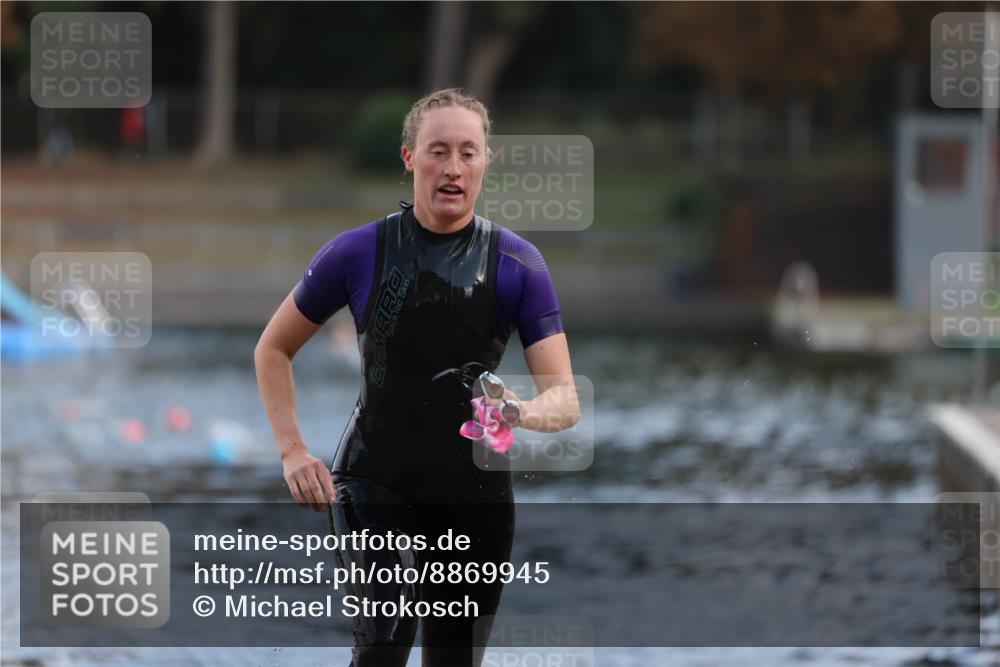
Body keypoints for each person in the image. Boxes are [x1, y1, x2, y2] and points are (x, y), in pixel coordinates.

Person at [254, 88, 579, 667]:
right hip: (375, 479)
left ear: (486, 161)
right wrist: (292, 451)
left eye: (468, 152)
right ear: (409, 158)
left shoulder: (518, 265)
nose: (453, 168)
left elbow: (565, 398)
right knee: (384, 637)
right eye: (438, 151)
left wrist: (521, 411)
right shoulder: (356, 253)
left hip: (476, 494)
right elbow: (273, 349)